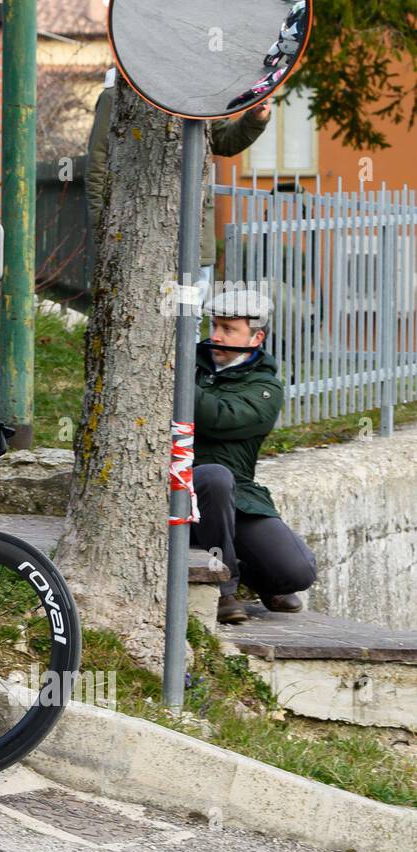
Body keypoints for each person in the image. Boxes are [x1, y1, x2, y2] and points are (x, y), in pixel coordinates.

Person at [86, 69, 270, 300]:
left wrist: (254, 118)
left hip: (196, 234)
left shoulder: (198, 87)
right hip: (139, 235)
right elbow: (99, 164)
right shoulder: (120, 91)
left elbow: (223, 141)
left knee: (189, 317)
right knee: (150, 313)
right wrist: (102, 226)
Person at [191, 289, 317, 624]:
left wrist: (178, 381)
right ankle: (224, 590)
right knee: (214, 478)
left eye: (229, 329)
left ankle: (255, 576)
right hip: (185, 483)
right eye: (215, 326)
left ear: (256, 337)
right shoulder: (191, 363)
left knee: (298, 571)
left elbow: (219, 418)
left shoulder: (265, 388)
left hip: (238, 495)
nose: (216, 336)